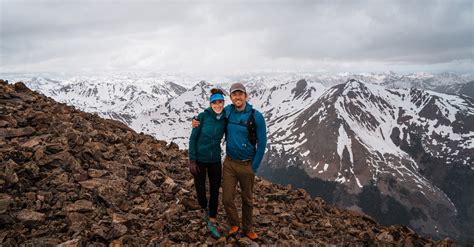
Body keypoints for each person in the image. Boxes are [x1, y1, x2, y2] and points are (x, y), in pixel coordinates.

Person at [193, 83, 267, 240]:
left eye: (240, 94)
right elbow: (212, 114)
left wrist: (254, 166)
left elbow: (262, 143)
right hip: (230, 164)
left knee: (247, 199)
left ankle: (247, 228)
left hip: (247, 163)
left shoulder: (256, 116)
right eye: (234, 94)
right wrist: (196, 120)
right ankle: (234, 223)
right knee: (227, 198)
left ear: (245, 96)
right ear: (231, 98)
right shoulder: (228, 111)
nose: (238, 97)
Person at [188, 88, 226, 239]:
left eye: (220, 102)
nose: (217, 105)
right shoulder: (202, 117)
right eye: (214, 102)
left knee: (215, 189)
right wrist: (192, 160)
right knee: (200, 188)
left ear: (223, 103)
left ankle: (212, 216)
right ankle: (203, 206)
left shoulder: (226, 117)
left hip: (215, 159)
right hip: (200, 159)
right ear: (210, 104)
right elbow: (193, 139)